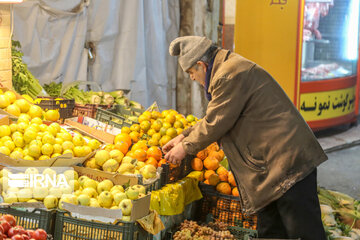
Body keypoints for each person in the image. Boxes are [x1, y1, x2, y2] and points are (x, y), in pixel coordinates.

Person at [163, 36, 328, 240]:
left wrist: (185, 147)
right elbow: (216, 115)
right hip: (271, 167)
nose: (191, 78)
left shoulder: (228, 74)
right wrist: (183, 135)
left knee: (303, 231)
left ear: (201, 65)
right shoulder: (226, 69)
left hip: (287, 163)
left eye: (191, 73)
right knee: (271, 231)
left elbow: (215, 122)